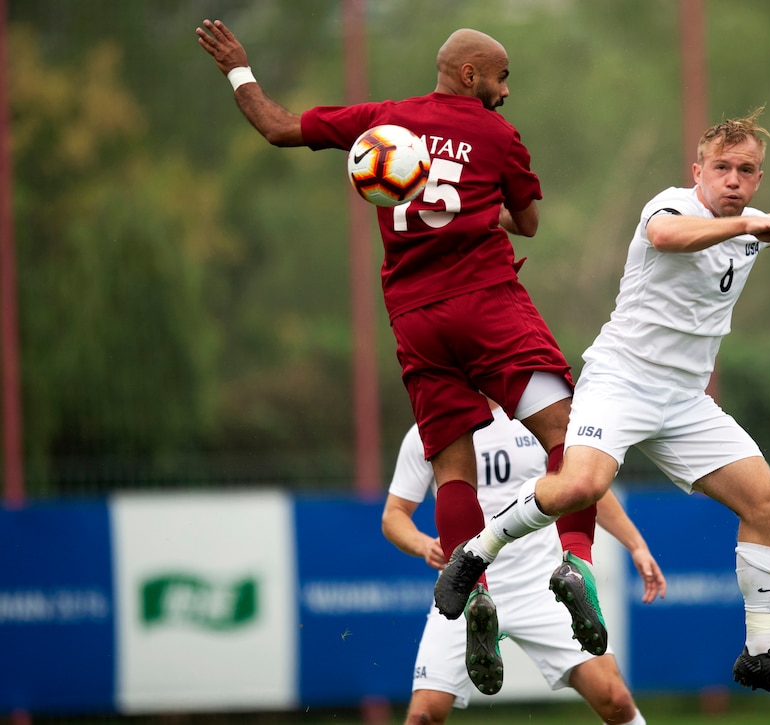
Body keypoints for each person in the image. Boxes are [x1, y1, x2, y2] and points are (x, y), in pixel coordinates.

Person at [435, 106, 770, 708]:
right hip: (620, 381)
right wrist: (749, 229)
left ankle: (760, 652)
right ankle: (477, 552)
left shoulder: (753, 222)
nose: (734, 179)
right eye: (722, 167)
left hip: (685, 402)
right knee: (581, 485)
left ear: (759, 178)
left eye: (747, 170)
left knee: (769, 503)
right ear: (698, 171)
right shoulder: (673, 206)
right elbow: (668, 238)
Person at [196, 20, 597, 690]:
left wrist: (239, 68)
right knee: (570, 435)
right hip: (487, 304)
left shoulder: (383, 121)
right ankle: (576, 561)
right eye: (501, 78)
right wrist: (475, 210)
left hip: (415, 318)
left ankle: (476, 598)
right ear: (469, 74)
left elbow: (276, 126)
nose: (505, 93)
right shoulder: (497, 135)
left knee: (451, 469)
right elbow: (526, 222)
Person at [383, 399, 665, 723]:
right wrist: (421, 543)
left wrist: (637, 545)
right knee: (424, 715)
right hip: (467, 590)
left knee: (614, 698)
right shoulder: (430, 427)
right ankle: (480, 610)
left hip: (542, 587)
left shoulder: (536, 414)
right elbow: (393, 515)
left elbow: (583, 486)